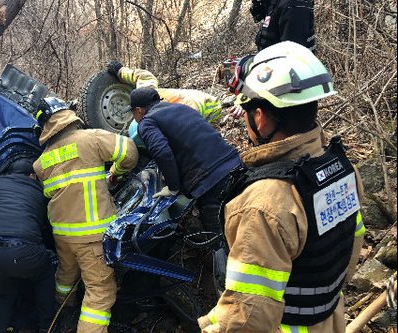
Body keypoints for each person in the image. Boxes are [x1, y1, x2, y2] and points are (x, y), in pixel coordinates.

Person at [197, 41, 366, 333]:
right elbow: (351, 250)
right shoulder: (341, 168)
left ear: (260, 118)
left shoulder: (263, 204)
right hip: (331, 319)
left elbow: (247, 317)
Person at [32, 97, 138, 333]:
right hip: (93, 237)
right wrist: (115, 172)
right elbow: (129, 153)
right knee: (100, 293)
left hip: (62, 235)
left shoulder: (40, 164)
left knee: (65, 278)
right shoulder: (89, 139)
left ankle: (63, 312)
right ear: (67, 115)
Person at [129, 86, 242, 293]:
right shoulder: (181, 109)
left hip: (212, 181)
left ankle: (230, 296)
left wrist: (173, 187)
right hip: (235, 165)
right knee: (242, 226)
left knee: (218, 241)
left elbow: (162, 151)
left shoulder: (146, 122)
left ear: (138, 110)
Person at [0, 158, 55, 333]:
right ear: (32, 175)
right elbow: (46, 227)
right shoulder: (40, 190)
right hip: (22, 251)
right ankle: (48, 326)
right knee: (46, 270)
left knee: (2, 295)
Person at [250, 0, 316, 51]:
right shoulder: (276, 3)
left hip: (286, 65)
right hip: (269, 62)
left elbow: (292, 55)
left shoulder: (293, 6)